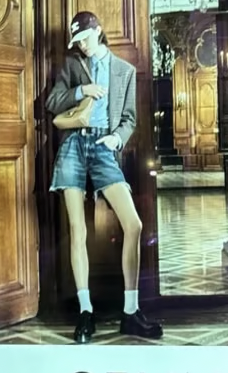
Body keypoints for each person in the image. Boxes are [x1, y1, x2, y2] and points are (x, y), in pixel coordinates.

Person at [46, 11, 162, 344]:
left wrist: (117, 139)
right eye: (76, 41)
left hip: (102, 148)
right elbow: (52, 102)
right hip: (73, 146)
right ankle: (86, 312)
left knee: (133, 225)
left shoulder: (124, 71)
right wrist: (81, 89)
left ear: (97, 32)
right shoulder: (72, 66)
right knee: (77, 229)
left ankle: (131, 312)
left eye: (84, 38)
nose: (80, 45)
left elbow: (129, 119)